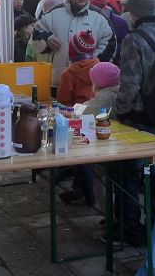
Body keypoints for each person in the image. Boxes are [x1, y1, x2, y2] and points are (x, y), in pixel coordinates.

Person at [113, 0, 155, 244]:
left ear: (135, 13)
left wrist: (116, 113)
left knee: (126, 175)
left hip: (136, 117)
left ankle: (129, 231)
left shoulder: (133, 39)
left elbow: (129, 84)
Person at [32, 0, 115, 86]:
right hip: (57, 82)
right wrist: (47, 40)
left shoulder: (100, 18)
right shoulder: (52, 14)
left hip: (87, 84)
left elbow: (110, 44)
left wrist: (91, 63)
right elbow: (36, 34)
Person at [60, 62, 121, 206]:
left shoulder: (105, 98)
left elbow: (80, 112)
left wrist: (67, 111)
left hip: (110, 144)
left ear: (100, 82)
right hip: (112, 138)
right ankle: (80, 188)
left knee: (84, 150)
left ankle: (86, 193)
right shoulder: (116, 91)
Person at [56, 30, 99, 106]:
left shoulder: (69, 74)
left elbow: (62, 102)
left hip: (75, 114)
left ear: (72, 51)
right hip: (96, 112)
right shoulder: (100, 69)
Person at [89, 0, 129, 64]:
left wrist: (113, 48)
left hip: (114, 61)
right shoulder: (92, 20)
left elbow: (125, 43)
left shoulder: (119, 22)